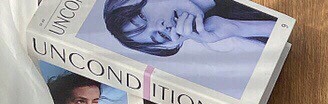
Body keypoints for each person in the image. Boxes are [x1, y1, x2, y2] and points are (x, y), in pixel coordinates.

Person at [102, 0, 275, 56]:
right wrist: (238, 28)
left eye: (141, 17)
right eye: (160, 36)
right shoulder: (233, 39)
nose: (162, 26)